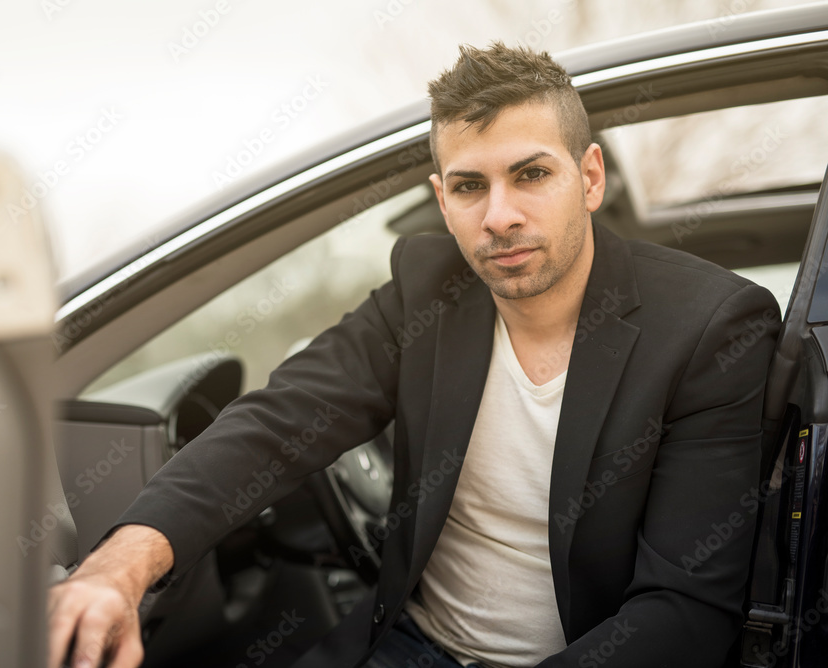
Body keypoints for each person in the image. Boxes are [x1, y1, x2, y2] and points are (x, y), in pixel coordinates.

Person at [47, 42, 781, 668]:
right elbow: (275, 425)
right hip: (407, 643)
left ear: (588, 178)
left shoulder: (710, 326)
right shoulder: (427, 290)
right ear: (441, 197)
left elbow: (683, 613)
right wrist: (121, 564)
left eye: (531, 174)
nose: (500, 216)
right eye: (470, 186)